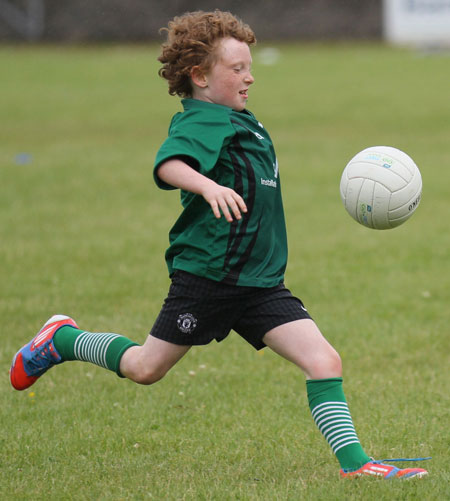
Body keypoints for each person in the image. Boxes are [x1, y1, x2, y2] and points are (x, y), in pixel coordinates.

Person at [10, 10, 429, 479]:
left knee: (323, 360)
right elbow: (169, 164)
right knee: (145, 368)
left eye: (250, 66)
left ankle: (357, 465)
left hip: (259, 283)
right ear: (200, 76)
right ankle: (62, 339)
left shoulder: (242, 119)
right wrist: (206, 187)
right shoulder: (204, 121)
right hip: (208, 277)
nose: (249, 77)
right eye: (237, 69)